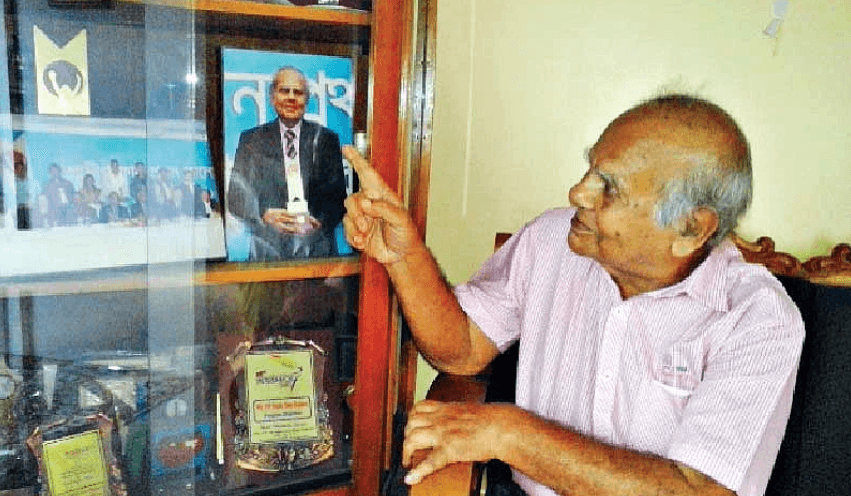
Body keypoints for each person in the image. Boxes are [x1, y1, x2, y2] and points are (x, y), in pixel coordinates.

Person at [342, 94, 805, 496]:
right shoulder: (551, 240)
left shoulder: (757, 318)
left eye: (609, 188)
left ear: (691, 228)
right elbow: (461, 348)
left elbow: (698, 490)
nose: (578, 193)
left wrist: (508, 432)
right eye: (591, 170)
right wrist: (403, 256)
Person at [227, 66, 347, 260]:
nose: (291, 98)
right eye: (284, 91)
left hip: (317, 251)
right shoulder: (251, 140)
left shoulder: (326, 139)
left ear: (307, 100)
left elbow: (338, 200)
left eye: (298, 92)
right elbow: (236, 198)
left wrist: (318, 222)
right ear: (272, 98)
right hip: (268, 250)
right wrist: (263, 215)